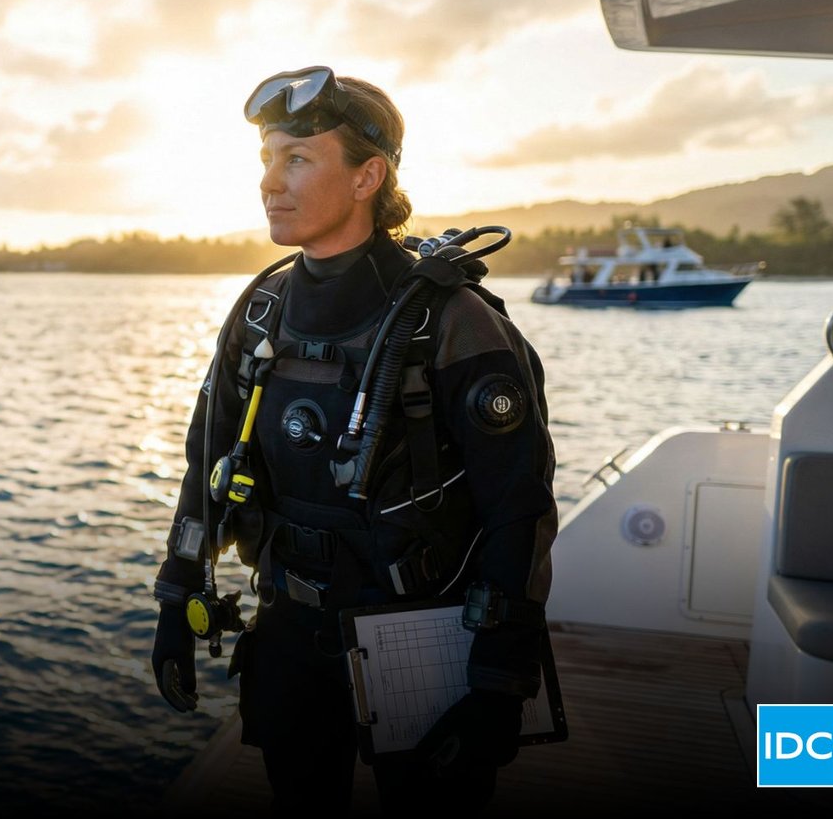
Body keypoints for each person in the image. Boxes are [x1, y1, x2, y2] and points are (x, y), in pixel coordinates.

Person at [149, 67, 557, 813]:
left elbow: (519, 507)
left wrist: (500, 676)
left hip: (422, 634)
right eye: (267, 158)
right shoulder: (260, 312)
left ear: (368, 176)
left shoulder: (452, 323)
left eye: (298, 158)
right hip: (289, 625)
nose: (270, 181)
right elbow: (206, 467)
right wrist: (176, 599)